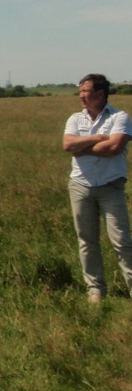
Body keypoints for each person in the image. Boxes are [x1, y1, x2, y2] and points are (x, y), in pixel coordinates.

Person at [62, 73, 132, 303]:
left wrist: (83, 148)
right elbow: (67, 145)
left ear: (100, 94)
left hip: (111, 186)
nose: (81, 96)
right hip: (80, 186)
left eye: (85, 91)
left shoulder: (120, 117)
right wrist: (99, 138)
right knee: (87, 241)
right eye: (80, 91)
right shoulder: (75, 119)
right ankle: (95, 289)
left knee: (121, 240)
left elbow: (114, 148)